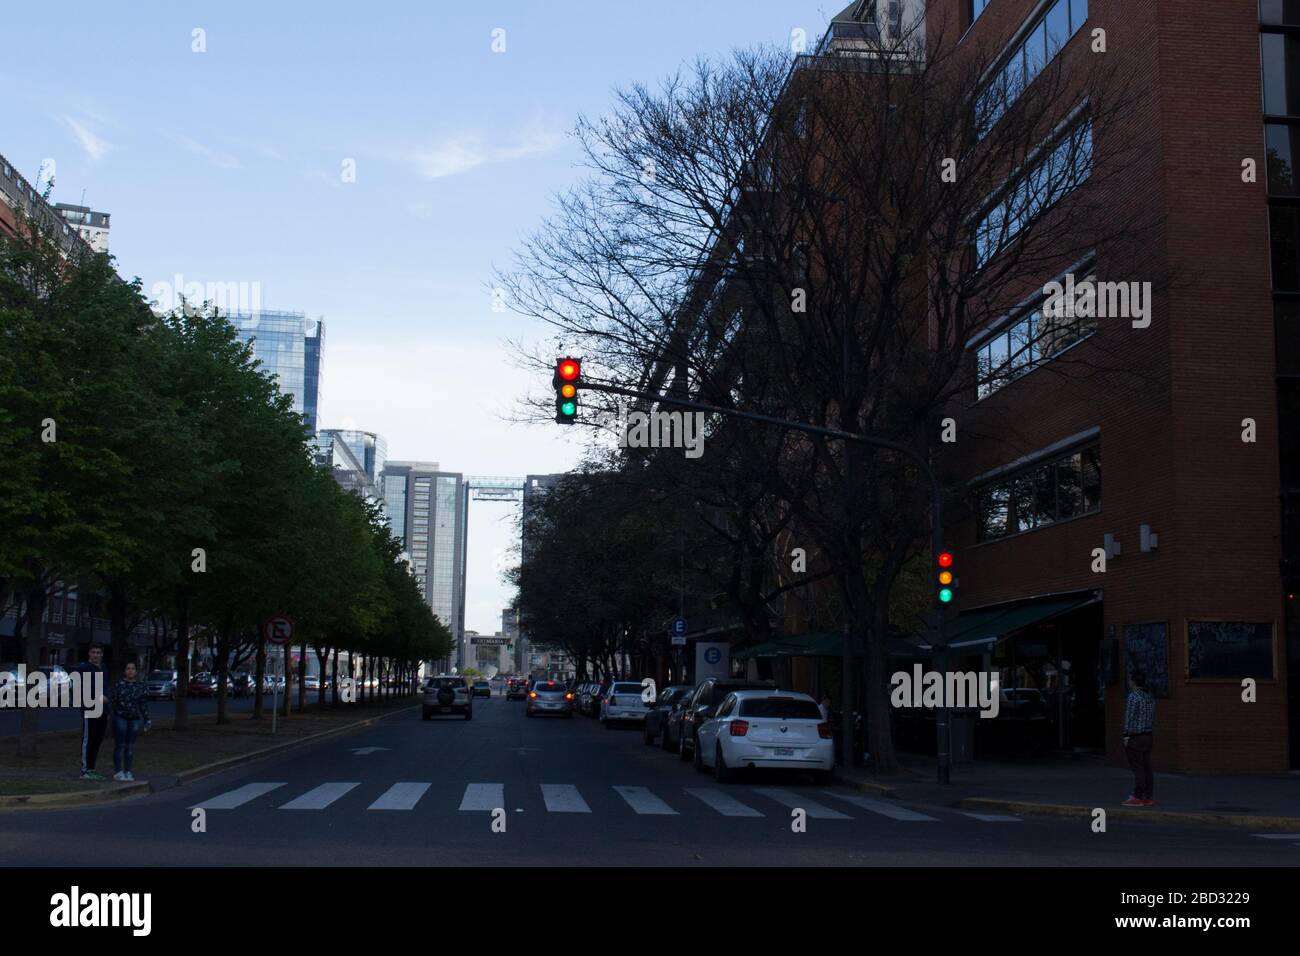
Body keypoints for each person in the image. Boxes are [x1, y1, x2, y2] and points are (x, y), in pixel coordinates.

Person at [109, 660, 151, 782]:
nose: (130, 670)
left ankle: (128, 771)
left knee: (130, 746)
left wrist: (147, 719)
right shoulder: (119, 685)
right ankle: (118, 771)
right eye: (128, 668)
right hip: (121, 718)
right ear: (124, 671)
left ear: (136, 671)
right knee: (120, 745)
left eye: (133, 668)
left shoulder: (140, 686)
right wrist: (110, 715)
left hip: (134, 719)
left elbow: (143, 704)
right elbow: (112, 701)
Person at [74, 645, 108, 780]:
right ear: (89, 653)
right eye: (93, 652)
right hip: (90, 709)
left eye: (98, 652)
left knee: (97, 740)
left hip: (103, 710)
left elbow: (106, 686)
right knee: (88, 739)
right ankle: (85, 770)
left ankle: (92, 768)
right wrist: (97, 697)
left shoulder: (104, 668)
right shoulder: (84, 668)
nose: (95, 655)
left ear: (102, 654)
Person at [1121, 669, 1155, 807]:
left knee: (1137, 767)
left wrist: (1126, 736)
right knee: (1147, 767)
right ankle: (1148, 796)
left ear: (1133, 681)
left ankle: (1137, 796)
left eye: (1130, 679)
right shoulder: (1149, 697)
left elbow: (1129, 718)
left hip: (1135, 737)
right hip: (1148, 736)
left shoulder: (1133, 697)